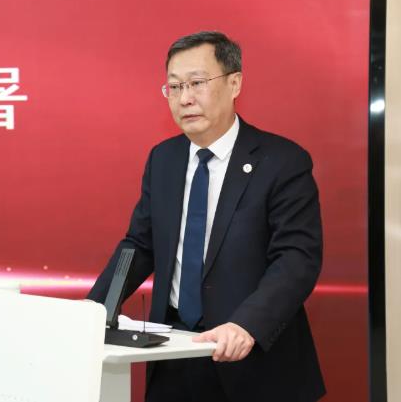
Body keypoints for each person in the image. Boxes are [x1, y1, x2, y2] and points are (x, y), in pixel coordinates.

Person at [87, 31, 325, 402]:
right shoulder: (163, 159)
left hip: (252, 357)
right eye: (174, 86)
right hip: (174, 353)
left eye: (197, 83)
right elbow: (139, 244)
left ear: (235, 83)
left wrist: (246, 325)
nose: (185, 98)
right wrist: (91, 313)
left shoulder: (282, 161)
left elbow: (296, 259)